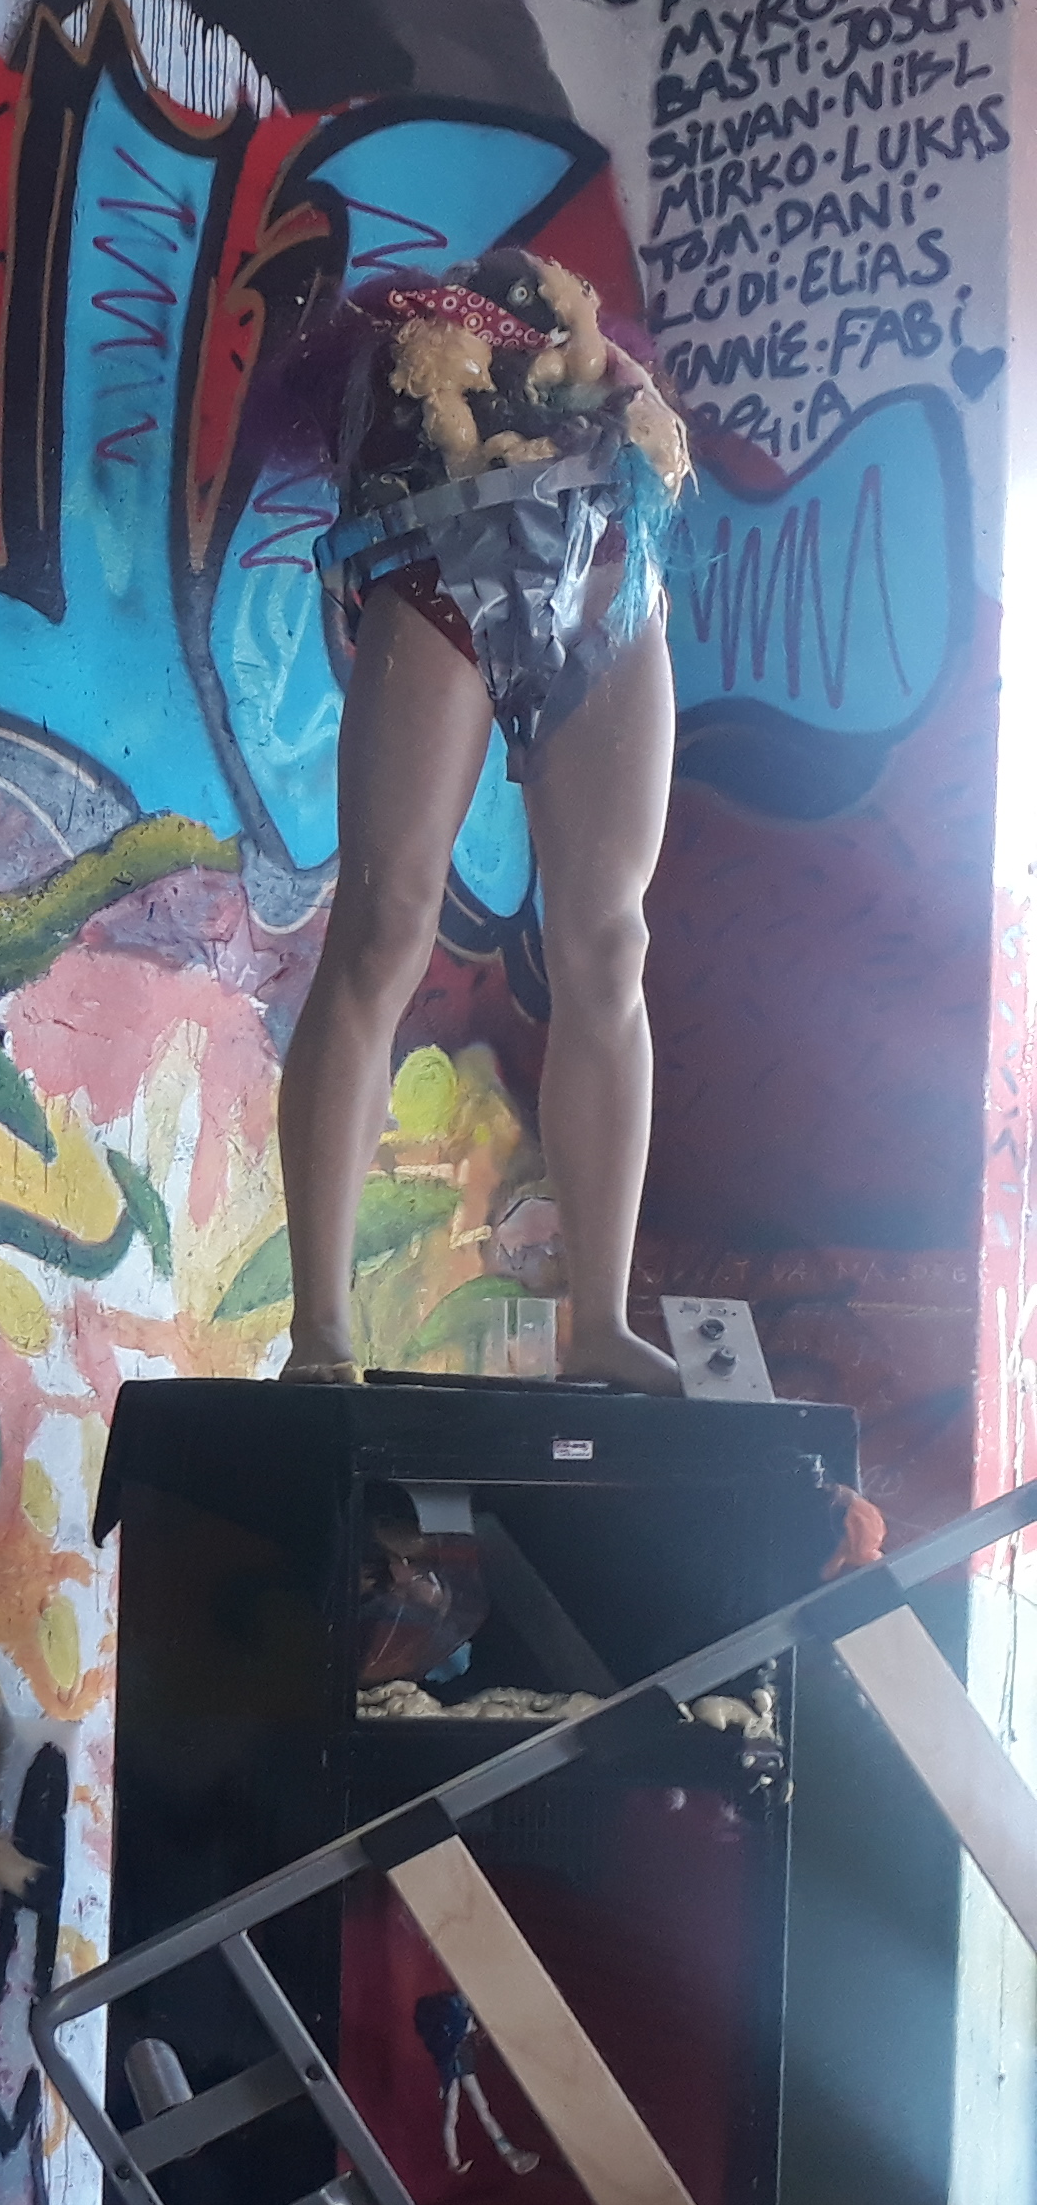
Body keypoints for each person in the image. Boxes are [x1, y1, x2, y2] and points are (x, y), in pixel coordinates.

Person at [266, 247, 693, 1389]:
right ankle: (320, 1328)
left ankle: (599, 1322)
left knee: (609, 944)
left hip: (608, 577)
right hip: (442, 567)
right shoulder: (424, 362)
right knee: (384, 925)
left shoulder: (603, 385)